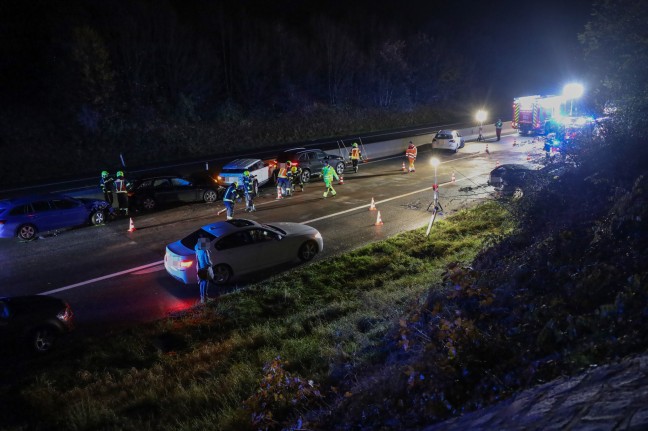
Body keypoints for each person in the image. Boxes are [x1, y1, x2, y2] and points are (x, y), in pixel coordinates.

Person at [195, 237, 214, 304]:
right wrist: (211, 264)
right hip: (205, 269)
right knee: (206, 282)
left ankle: (202, 298)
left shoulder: (197, 249)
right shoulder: (205, 251)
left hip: (199, 268)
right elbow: (208, 262)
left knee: (201, 283)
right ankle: (205, 298)